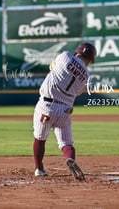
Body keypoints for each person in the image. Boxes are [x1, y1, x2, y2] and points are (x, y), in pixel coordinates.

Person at [32, 42, 96, 180]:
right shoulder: (87, 76)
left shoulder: (66, 56)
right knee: (66, 143)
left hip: (46, 106)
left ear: (77, 52)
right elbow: (76, 92)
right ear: (90, 59)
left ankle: (39, 168)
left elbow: (52, 65)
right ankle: (70, 158)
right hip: (65, 110)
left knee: (40, 138)